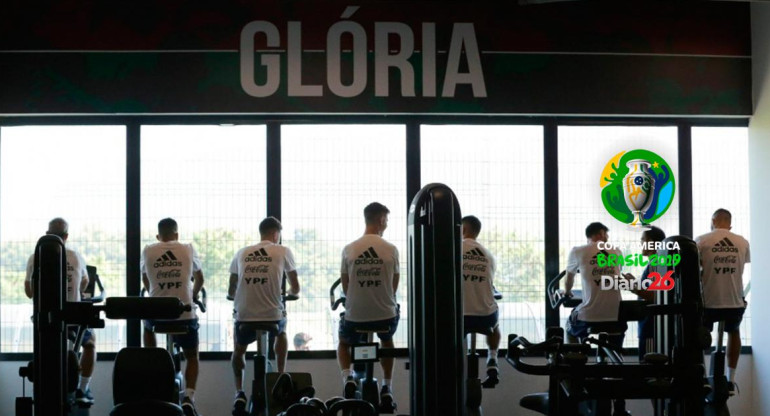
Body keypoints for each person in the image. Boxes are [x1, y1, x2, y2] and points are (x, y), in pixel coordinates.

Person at [228, 216, 300, 416]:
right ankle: (280, 374)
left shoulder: (242, 252)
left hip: (244, 317)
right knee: (282, 330)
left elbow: (232, 284)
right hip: (272, 317)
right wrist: (293, 294)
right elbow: (295, 285)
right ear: (276, 234)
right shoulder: (283, 251)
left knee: (239, 351)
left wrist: (232, 295)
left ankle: (239, 392)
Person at [24, 218, 96, 404]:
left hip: (45, 319)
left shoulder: (35, 256)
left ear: (47, 234)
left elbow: (29, 292)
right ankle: (83, 388)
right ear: (66, 236)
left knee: (43, 343)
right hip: (72, 316)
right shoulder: (76, 256)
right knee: (90, 343)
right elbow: (85, 283)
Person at [338, 202, 400, 410]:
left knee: (344, 342)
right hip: (385, 318)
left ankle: (348, 377)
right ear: (381, 220)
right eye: (387, 220)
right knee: (387, 340)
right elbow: (393, 287)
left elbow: (346, 288)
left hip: (356, 318)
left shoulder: (349, 249)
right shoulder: (391, 249)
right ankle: (387, 387)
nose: (387, 224)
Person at [563, 222, 628, 416]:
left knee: (568, 326)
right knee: (616, 355)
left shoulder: (578, 251)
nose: (607, 238)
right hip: (615, 317)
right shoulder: (616, 251)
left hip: (589, 318)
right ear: (600, 233)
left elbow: (569, 278)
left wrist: (566, 292)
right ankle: (620, 404)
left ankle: (576, 364)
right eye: (606, 234)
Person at [141, 218, 204, 416]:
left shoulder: (148, 250)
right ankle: (189, 397)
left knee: (146, 324)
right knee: (192, 356)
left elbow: (144, 277)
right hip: (184, 314)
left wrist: (153, 290)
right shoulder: (188, 248)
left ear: (158, 236)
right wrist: (193, 294)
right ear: (177, 234)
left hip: (157, 316)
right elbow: (200, 278)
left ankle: (152, 358)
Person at [695, 208, 750, 394]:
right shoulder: (742, 242)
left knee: (699, 338)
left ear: (713, 221)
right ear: (730, 223)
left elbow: (697, 267)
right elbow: (742, 264)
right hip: (734, 300)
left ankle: (701, 377)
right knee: (733, 332)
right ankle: (731, 379)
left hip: (709, 301)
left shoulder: (701, 240)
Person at [461, 215, 501, 381]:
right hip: (485, 318)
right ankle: (492, 358)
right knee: (496, 321)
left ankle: (456, 362)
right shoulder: (489, 256)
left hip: (460, 318)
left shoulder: (452, 248)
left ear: (462, 229)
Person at [622, 226, 666, 361]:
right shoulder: (658, 262)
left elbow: (655, 296)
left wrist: (632, 286)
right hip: (651, 326)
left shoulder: (656, 263)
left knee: (650, 368)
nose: (640, 243)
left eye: (642, 239)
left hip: (652, 328)